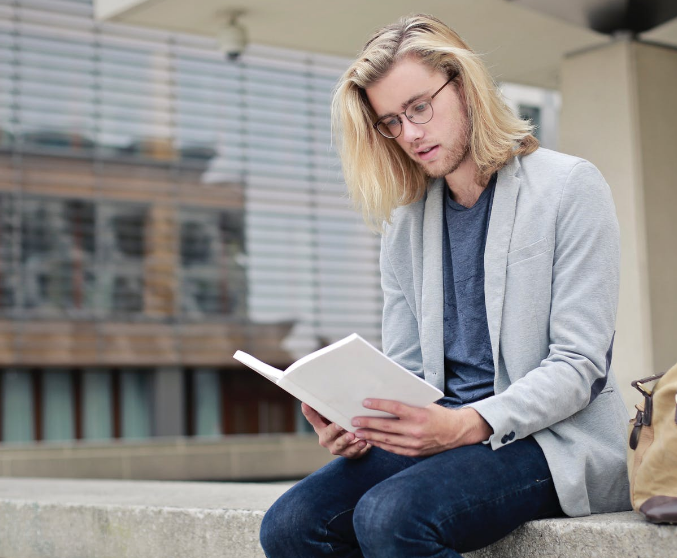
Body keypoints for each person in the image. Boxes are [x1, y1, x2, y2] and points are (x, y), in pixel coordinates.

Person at [260, 13, 631, 558]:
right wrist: (360, 422)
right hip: (440, 431)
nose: (409, 134)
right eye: (391, 121)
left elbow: (580, 365)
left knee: (391, 518)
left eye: (419, 108)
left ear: (463, 86)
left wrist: (466, 423)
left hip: (550, 440)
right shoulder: (406, 222)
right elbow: (408, 369)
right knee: (290, 526)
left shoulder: (569, 187)